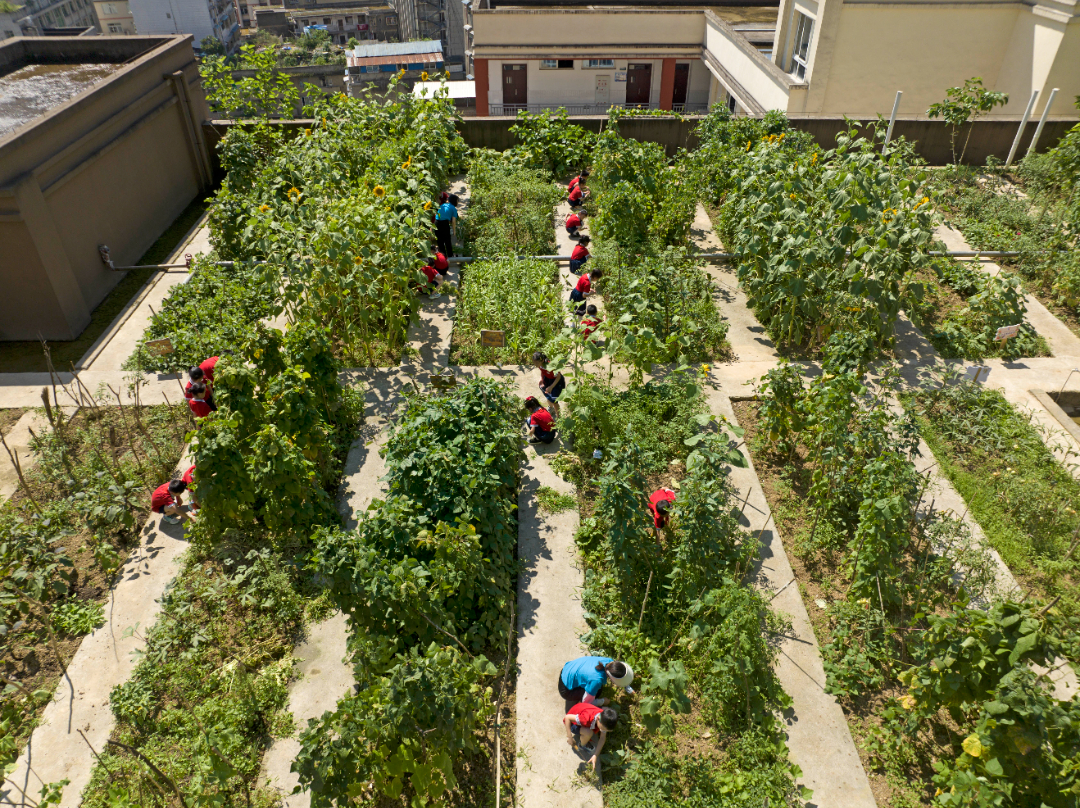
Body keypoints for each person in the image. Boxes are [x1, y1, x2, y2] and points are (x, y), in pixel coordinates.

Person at [563, 703, 618, 771]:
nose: (603, 731)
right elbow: (567, 718)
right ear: (598, 719)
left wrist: (595, 755)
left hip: (581, 712)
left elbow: (602, 738)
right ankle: (582, 745)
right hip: (572, 723)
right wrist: (569, 737)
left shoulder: (603, 716)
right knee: (588, 732)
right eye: (602, 729)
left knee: (590, 731)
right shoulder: (586, 718)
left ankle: (584, 736)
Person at [558, 657, 634, 706]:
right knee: (597, 692)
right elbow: (586, 702)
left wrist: (628, 688)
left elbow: (620, 675)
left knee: (597, 688)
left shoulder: (609, 662)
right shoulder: (597, 680)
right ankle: (578, 705)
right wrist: (602, 701)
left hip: (568, 668)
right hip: (566, 689)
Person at [533, 351, 565, 418]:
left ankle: (559, 418)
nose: (535, 365)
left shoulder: (550, 366)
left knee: (555, 401)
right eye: (534, 363)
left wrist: (551, 387)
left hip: (556, 381)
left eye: (536, 363)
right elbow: (542, 371)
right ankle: (551, 408)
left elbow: (558, 376)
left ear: (542, 360)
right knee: (547, 394)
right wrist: (541, 378)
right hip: (547, 378)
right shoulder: (540, 365)